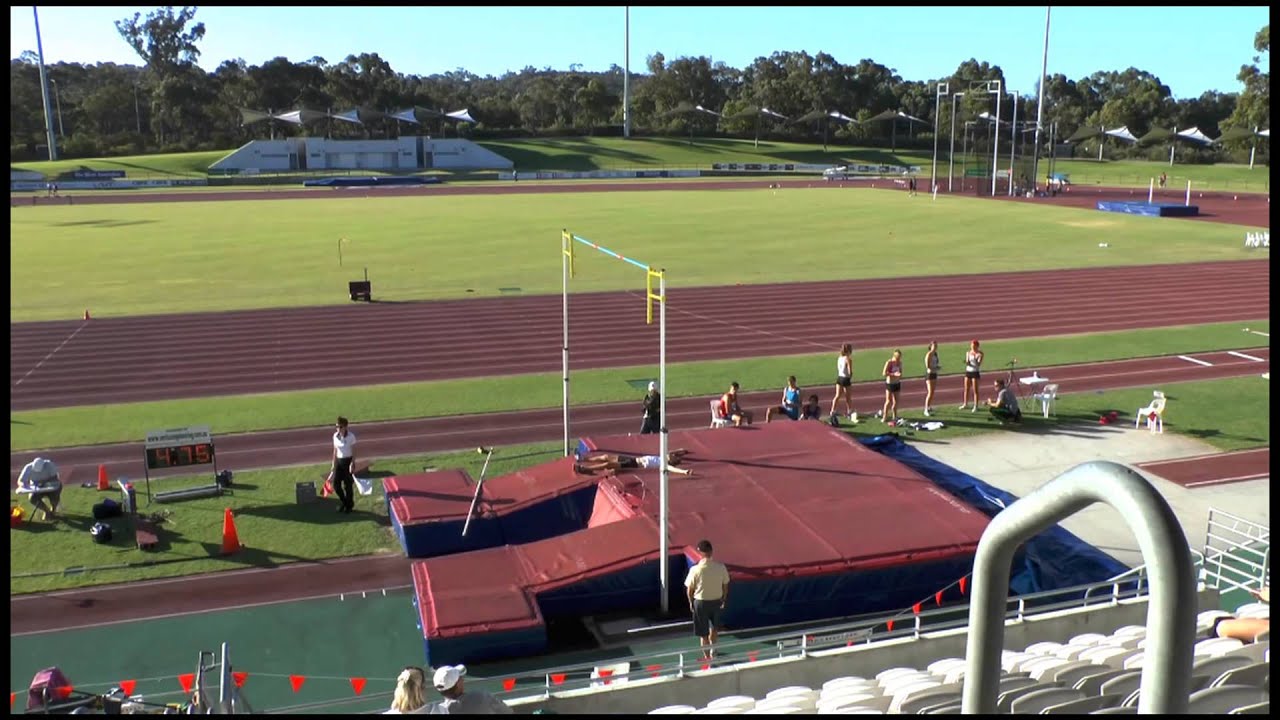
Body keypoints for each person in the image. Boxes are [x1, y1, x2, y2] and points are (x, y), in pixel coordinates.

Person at [685, 539, 731, 661]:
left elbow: (689, 590)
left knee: (703, 633)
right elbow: (725, 586)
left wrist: (691, 602)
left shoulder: (695, 570)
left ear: (699, 552)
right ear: (711, 551)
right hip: (716, 602)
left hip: (700, 603)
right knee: (714, 629)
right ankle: (713, 651)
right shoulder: (720, 568)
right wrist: (723, 599)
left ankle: (707, 657)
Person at [430, 665, 512, 714]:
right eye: (460, 678)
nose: (463, 680)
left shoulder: (437, 711)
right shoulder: (482, 697)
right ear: (458, 684)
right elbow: (508, 712)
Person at [575, 449, 693, 476]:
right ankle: (583, 459)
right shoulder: (663, 456)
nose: (670, 455)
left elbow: (674, 469)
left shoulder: (665, 465)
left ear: (672, 461)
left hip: (634, 464)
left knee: (607, 465)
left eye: (672, 456)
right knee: (606, 456)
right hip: (632, 459)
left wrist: (684, 471)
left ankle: (586, 469)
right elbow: (679, 450)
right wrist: (684, 452)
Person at [16, 456, 62, 520]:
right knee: (32, 498)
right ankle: (46, 511)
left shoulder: (49, 465)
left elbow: (55, 478)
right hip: (36, 488)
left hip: (50, 486)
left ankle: (53, 510)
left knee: (55, 496)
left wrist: (44, 482)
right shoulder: (28, 467)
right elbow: (20, 481)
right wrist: (23, 485)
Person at [330, 416, 357, 513]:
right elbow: (335, 451)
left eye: (340, 427)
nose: (338, 429)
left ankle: (349, 506)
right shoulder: (335, 436)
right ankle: (345, 502)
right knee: (336, 485)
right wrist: (333, 464)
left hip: (348, 461)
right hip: (339, 462)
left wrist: (352, 463)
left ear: (345, 427)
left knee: (348, 485)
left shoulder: (351, 436)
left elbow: (354, 452)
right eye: (336, 426)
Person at [830, 343, 855, 422]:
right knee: (848, 397)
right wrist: (850, 376)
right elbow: (850, 371)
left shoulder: (840, 358)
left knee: (837, 396)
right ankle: (849, 412)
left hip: (839, 378)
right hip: (846, 379)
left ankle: (832, 411)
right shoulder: (848, 359)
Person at [959, 339, 984, 412]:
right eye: (971, 345)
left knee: (975, 390)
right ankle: (965, 403)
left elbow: (978, 364)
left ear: (977, 346)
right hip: (968, 371)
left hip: (975, 372)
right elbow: (967, 361)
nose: (972, 347)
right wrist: (967, 363)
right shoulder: (968, 353)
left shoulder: (980, 354)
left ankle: (975, 405)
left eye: (974, 346)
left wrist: (976, 358)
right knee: (966, 389)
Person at [881, 349, 904, 423]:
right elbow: (884, 373)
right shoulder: (889, 362)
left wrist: (899, 374)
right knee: (888, 401)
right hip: (890, 383)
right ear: (894, 356)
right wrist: (893, 374)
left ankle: (895, 416)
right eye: (897, 357)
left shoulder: (900, 363)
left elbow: (900, 371)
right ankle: (885, 416)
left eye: (899, 357)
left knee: (896, 401)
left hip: (897, 383)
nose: (898, 358)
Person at [923, 341, 940, 417]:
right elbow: (928, 366)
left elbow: (936, 363)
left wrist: (937, 367)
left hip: (934, 373)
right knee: (930, 392)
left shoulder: (935, 354)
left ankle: (929, 406)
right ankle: (926, 409)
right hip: (930, 374)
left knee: (932, 392)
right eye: (934, 346)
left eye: (936, 346)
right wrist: (935, 367)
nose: (935, 347)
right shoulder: (929, 354)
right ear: (930, 346)